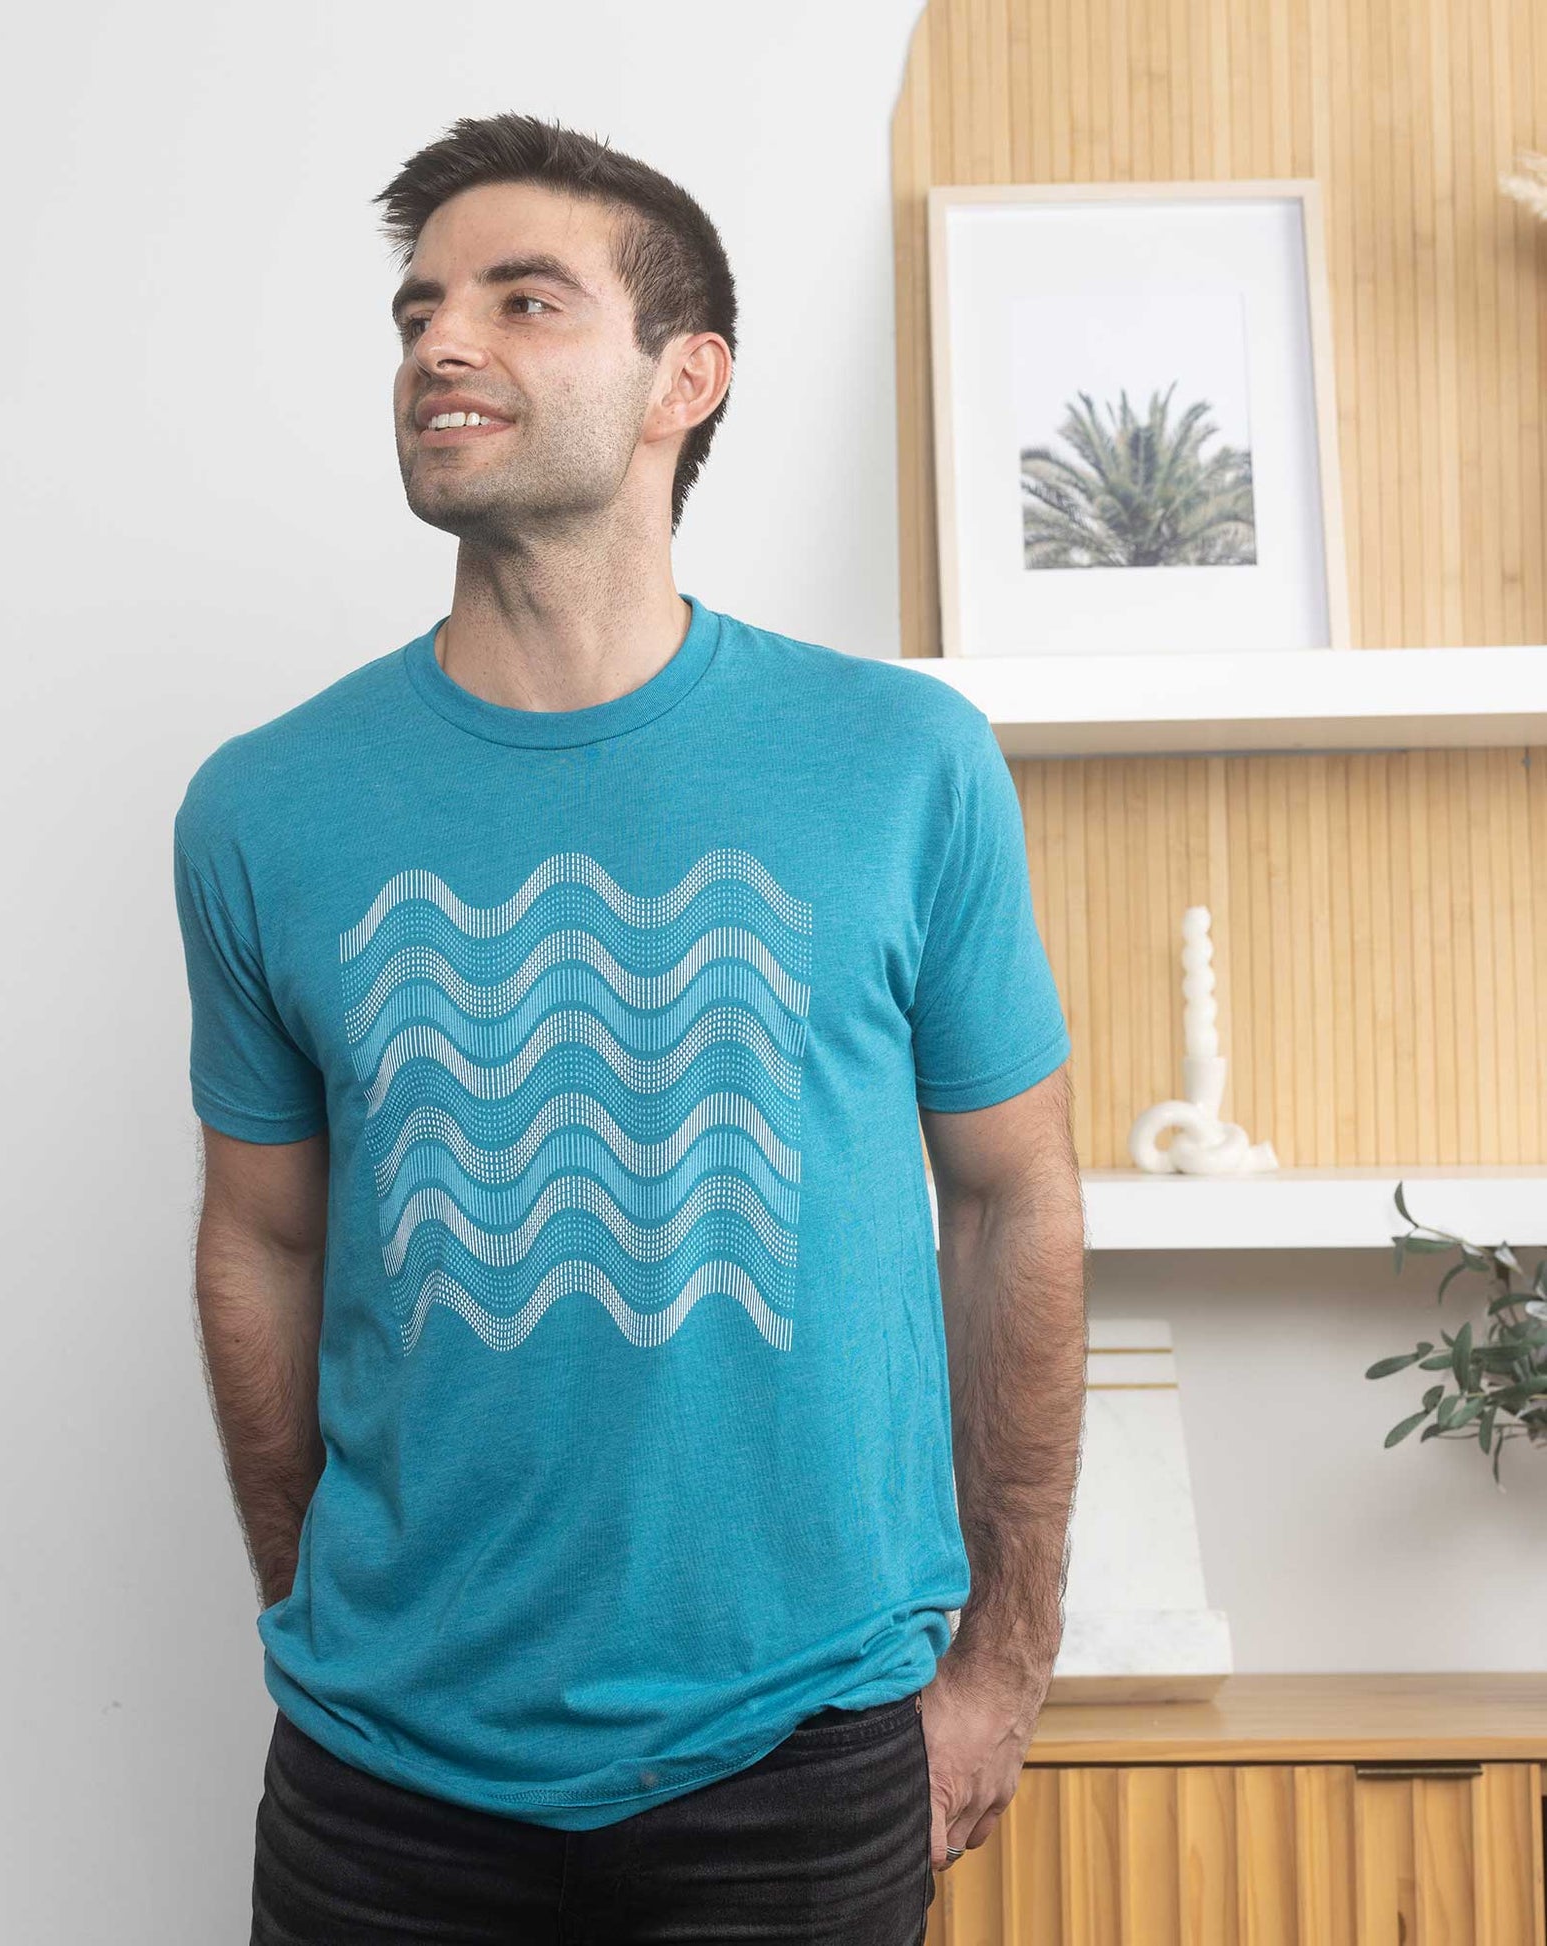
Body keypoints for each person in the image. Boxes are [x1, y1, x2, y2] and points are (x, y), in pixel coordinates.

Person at [172, 109, 1087, 1945]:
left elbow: (1012, 1204)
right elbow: (259, 1242)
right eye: (420, 308)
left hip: (799, 1751)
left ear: (687, 378)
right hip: (381, 1780)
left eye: (524, 301)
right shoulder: (262, 806)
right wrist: (311, 1602)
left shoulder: (899, 761)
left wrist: (999, 1662)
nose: (441, 342)